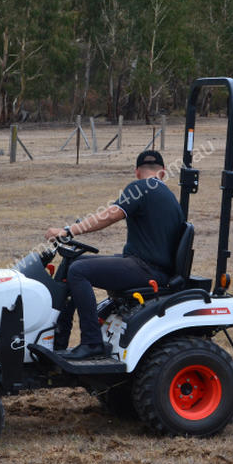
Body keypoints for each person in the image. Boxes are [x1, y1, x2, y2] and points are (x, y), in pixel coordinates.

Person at [44, 150, 185, 360]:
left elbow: (109, 215)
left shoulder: (140, 188)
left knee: (78, 271)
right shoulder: (169, 197)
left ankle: (92, 343)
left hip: (147, 269)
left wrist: (69, 230)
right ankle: (58, 342)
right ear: (163, 173)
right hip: (152, 266)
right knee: (73, 262)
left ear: (137, 172)